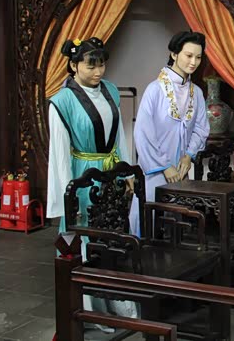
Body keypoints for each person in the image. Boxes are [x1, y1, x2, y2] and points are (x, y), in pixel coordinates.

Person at [46, 36, 136, 325]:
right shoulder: (61, 102)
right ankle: (90, 310)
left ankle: (117, 302)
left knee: (113, 237)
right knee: (85, 238)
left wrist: (126, 171)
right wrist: (68, 195)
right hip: (83, 175)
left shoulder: (110, 90)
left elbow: (118, 136)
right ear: (74, 66)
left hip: (110, 173)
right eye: (91, 65)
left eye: (102, 65)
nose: (99, 72)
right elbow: (59, 154)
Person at [129, 31, 210, 236]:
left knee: (175, 221)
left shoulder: (197, 93)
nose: (193, 62)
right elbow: (143, 133)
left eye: (198, 57)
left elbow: (201, 128)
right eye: (188, 55)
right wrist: (165, 166)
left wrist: (188, 155)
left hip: (181, 169)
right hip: (155, 170)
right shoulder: (155, 90)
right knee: (148, 219)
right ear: (174, 54)